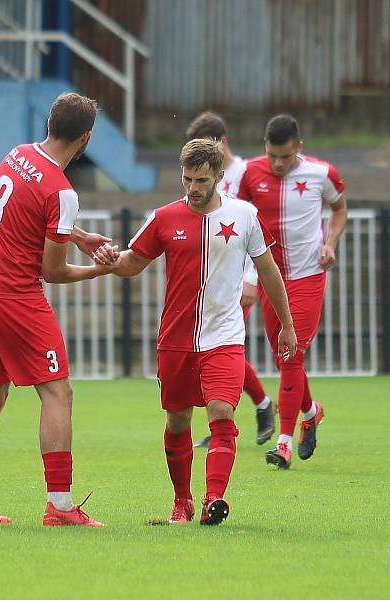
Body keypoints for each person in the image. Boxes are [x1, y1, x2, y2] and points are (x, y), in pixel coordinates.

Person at [94, 138, 297, 525]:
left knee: (221, 412)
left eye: (201, 180)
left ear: (220, 176)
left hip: (224, 337)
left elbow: (268, 270)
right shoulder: (164, 217)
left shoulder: (244, 216)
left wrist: (286, 325)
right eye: (187, 179)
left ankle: (214, 499)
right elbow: (131, 263)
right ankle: (182, 501)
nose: (193, 187)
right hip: (176, 340)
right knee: (178, 421)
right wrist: (107, 259)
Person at [0, 92, 114, 526]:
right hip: (12, 293)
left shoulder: (18, 153)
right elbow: (53, 271)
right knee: (57, 391)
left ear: (49, 122)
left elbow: (27, 210)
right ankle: (61, 506)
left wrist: (77, 236)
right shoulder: (62, 191)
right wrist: (98, 271)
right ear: (86, 139)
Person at [236, 114, 348, 469]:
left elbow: (339, 207)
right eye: (272, 156)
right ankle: (312, 412)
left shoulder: (321, 173)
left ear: (299, 147)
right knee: (283, 357)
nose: (278, 163)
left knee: (291, 355)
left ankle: (283, 444)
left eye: (285, 156)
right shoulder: (250, 174)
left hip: (307, 275)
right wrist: (249, 275)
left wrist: (330, 243)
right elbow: (238, 221)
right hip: (271, 279)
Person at [185, 112, 275, 448]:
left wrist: (253, 277)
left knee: (225, 347)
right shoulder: (203, 176)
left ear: (221, 143)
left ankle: (261, 407)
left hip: (238, 278)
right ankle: (262, 408)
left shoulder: (248, 173)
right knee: (222, 348)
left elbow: (254, 227)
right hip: (211, 278)